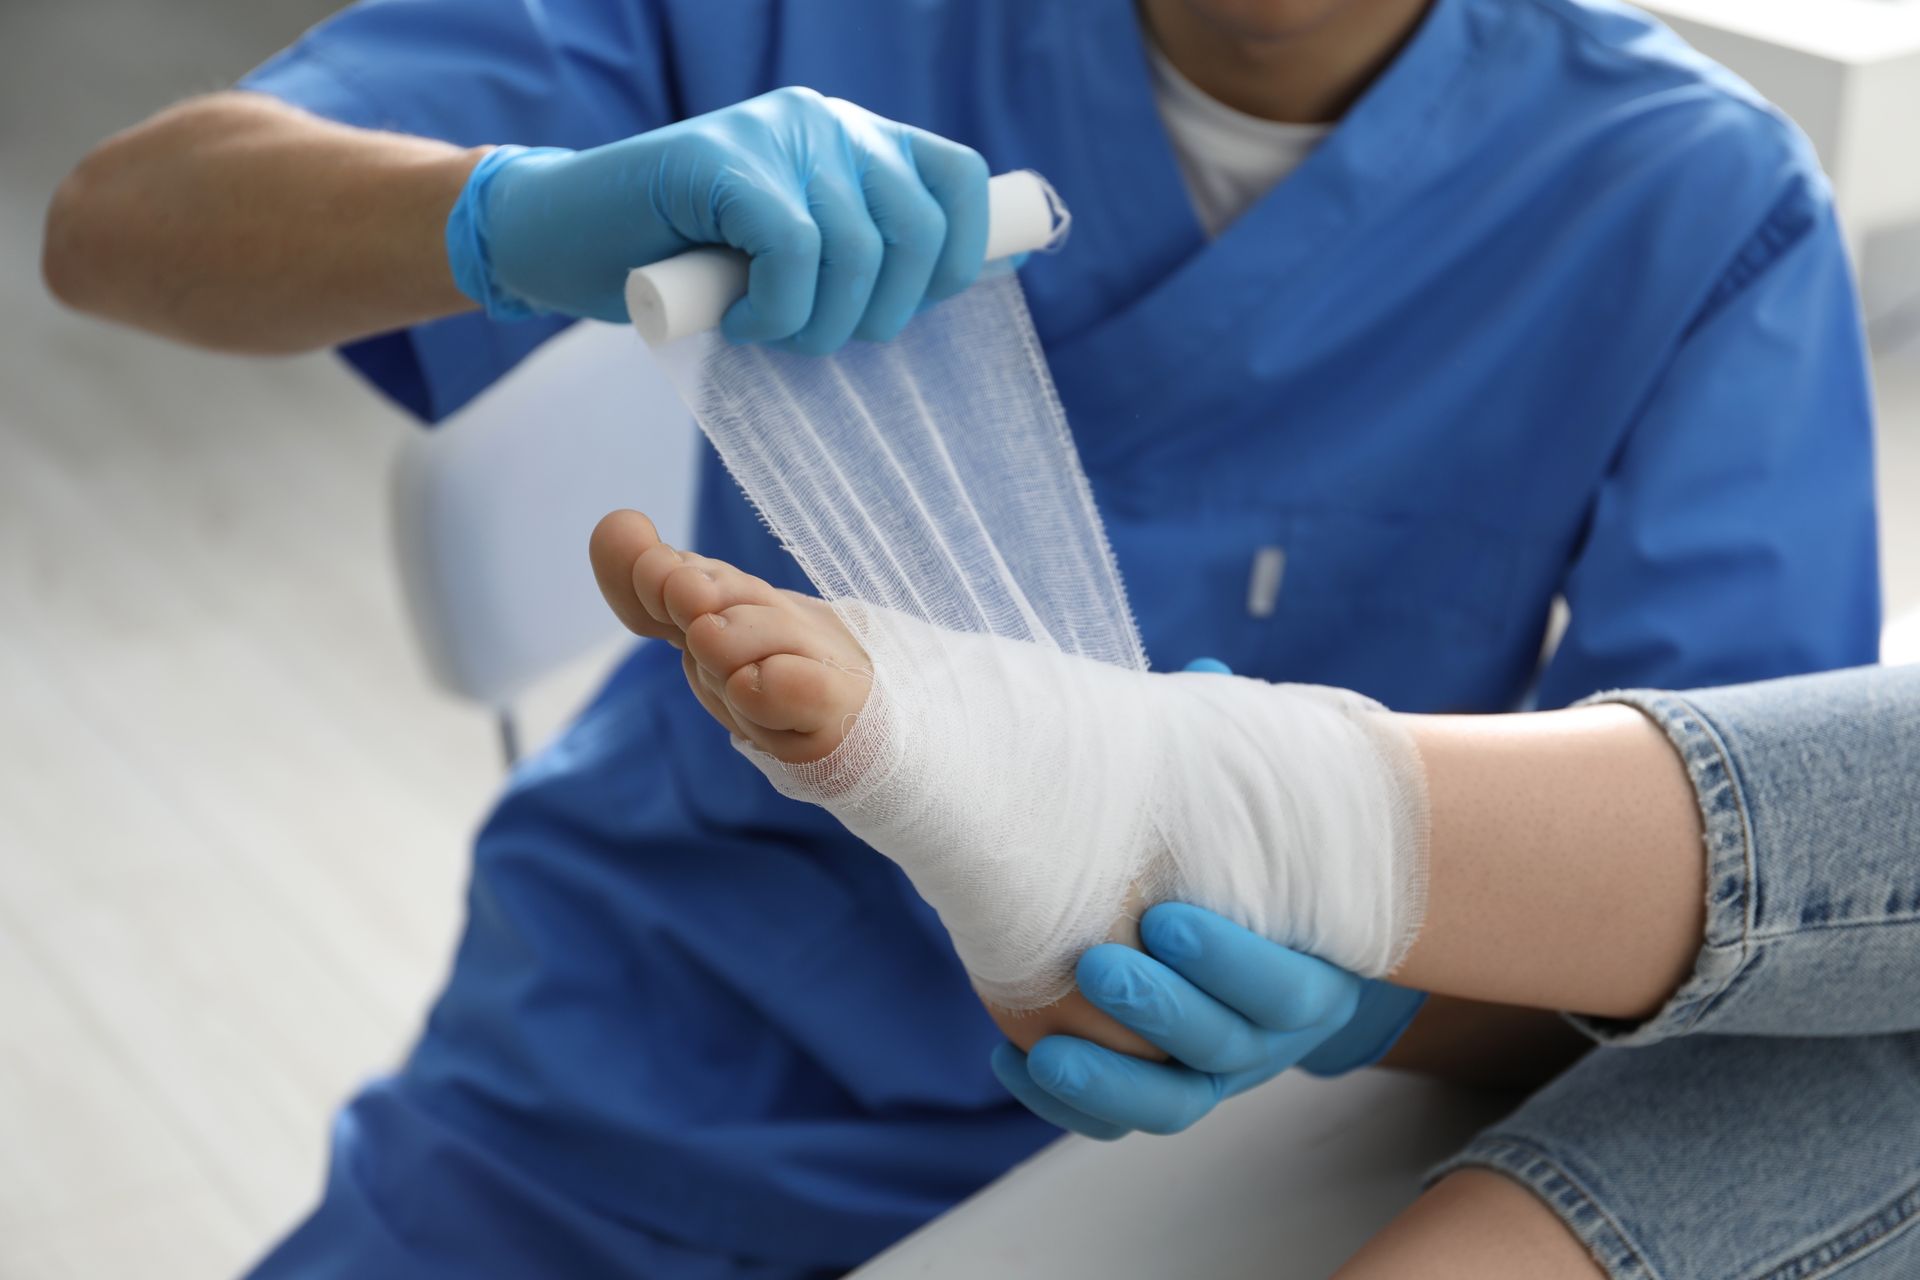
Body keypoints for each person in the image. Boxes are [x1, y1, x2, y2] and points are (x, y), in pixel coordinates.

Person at [40, 0, 1881, 1275]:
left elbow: (1735, 935)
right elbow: (120, 227)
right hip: (642, 1045)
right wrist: (516, 218)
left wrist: (1385, 991)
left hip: (1205, 1151)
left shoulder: (1692, 207)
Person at [588, 506, 1920, 1278]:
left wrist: (1356, 976)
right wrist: (1377, 1000)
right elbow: (1825, 956)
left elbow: (1805, 933)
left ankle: (1240, 808)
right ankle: (1248, 812)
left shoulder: (1697, 201)